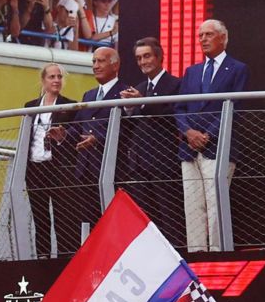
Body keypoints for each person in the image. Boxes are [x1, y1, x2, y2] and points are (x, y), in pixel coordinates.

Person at [175, 20, 249, 252]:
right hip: (189, 148)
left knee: (216, 202)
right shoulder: (192, 71)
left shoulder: (237, 68)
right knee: (193, 204)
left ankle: (218, 252)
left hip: (218, 146)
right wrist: (188, 132)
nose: (203, 39)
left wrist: (207, 134)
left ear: (223, 38)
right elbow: (179, 108)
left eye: (209, 34)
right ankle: (196, 252)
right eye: (200, 35)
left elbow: (234, 106)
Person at [20, 62, 92, 257]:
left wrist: (61, 137)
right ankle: (42, 258)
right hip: (35, 167)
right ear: (43, 80)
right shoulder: (30, 106)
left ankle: (63, 258)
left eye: (59, 77)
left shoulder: (69, 105)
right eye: (52, 77)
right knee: (40, 218)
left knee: (63, 216)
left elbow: (75, 136)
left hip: (58, 167)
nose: (56, 80)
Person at [118, 37, 184, 244]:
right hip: (138, 164)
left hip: (164, 163)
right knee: (144, 219)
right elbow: (131, 127)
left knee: (169, 217)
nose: (143, 62)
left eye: (147, 56)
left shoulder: (175, 84)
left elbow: (173, 117)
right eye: (139, 58)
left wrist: (143, 104)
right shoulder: (138, 87)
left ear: (159, 57)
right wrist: (128, 109)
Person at [73, 45, 130, 195]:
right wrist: (63, 134)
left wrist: (98, 139)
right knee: (87, 217)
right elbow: (79, 125)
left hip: (112, 169)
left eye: (101, 61)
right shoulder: (88, 95)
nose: (96, 66)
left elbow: (128, 128)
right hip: (85, 168)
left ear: (115, 65)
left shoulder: (126, 93)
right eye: (94, 62)